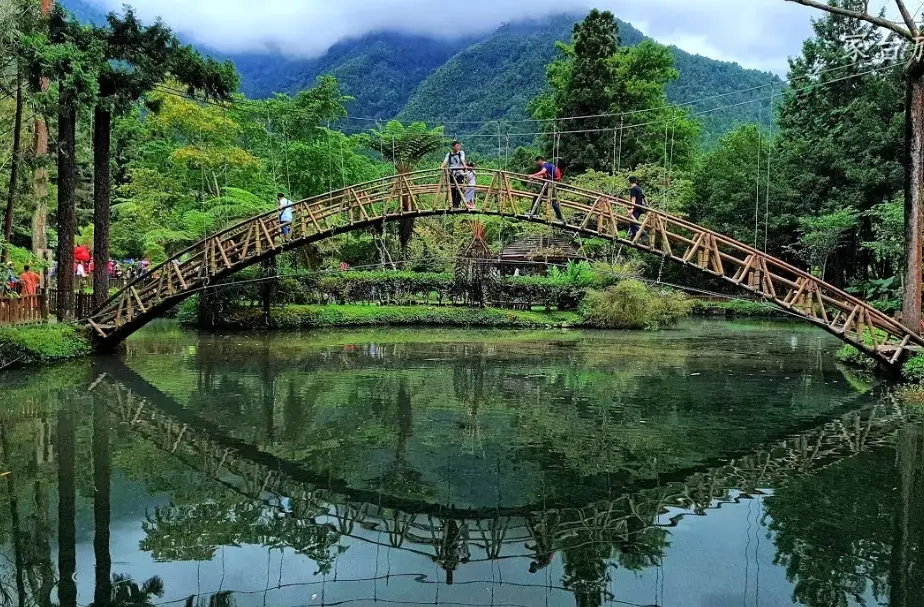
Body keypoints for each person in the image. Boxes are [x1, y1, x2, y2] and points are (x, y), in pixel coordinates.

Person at [527, 156, 563, 222]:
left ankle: (534, 213)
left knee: (538, 197)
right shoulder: (550, 166)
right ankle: (560, 218)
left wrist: (533, 175)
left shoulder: (546, 165)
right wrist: (535, 177)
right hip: (551, 185)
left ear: (540, 160)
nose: (537, 163)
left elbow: (543, 172)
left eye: (537, 162)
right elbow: (543, 175)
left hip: (549, 185)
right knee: (553, 201)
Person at [441, 141, 468, 209]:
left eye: (459, 146)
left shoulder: (461, 152)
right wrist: (441, 167)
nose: (459, 147)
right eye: (457, 146)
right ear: (453, 147)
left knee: (459, 188)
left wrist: (465, 166)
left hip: (459, 173)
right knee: (452, 189)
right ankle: (452, 205)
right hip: (451, 173)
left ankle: (457, 204)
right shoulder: (449, 154)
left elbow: (462, 159)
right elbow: (445, 161)